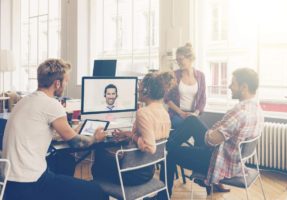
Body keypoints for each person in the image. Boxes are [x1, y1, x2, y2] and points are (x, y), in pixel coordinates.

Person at [3, 59, 106, 200]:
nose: (65, 85)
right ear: (57, 83)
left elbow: (35, 130)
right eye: (66, 81)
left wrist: (65, 131)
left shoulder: (24, 101)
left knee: (63, 167)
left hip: (9, 183)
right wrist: (96, 138)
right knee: (97, 192)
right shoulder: (51, 104)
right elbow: (77, 143)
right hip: (31, 183)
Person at [164, 68, 264, 197]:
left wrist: (212, 131)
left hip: (219, 161)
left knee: (171, 153)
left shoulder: (240, 113)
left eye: (232, 83)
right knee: (192, 120)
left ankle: (163, 195)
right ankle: (167, 146)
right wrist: (213, 131)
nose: (229, 87)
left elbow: (211, 141)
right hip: (234, 160)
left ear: (244, 87)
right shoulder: (257, 109)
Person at [91, 72, 172, 200]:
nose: (137, 91)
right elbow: (152, 137)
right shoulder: (164, 112)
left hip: (133, 175)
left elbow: (150, 147)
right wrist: (129, 135)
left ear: (146, 91)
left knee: (98, 155)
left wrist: (133, 137)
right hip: (147, 172)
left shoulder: (143, 112)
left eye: (139, 88)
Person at [164, 43, 206, 129]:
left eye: (180, 59)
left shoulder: (201, 76)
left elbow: (202, 98)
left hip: (193, 115)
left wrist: (195, 114)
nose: (178, 62)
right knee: (192, 127)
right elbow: (167, 98)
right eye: (177, 60)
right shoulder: (174, 75)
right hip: (176, 115)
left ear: (190, 58)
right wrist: (181, 113)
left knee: (197, 127)